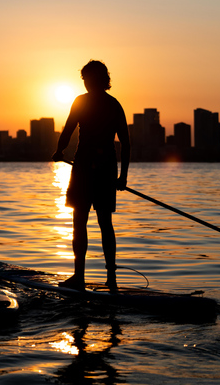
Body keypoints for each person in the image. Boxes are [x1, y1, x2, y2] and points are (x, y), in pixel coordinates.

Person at [52, 60, 131, 291]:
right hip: (105, 168)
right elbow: (125, 144)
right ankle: (110, 279)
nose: (84, 82)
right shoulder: (114, 104)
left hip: (86, 167)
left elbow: (67, 130)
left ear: (94, 79)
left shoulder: (82, 102)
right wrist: (123, 176)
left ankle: (80, 276)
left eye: (86, 78)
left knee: (81, 222)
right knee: (105, 223)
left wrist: (59, 151)